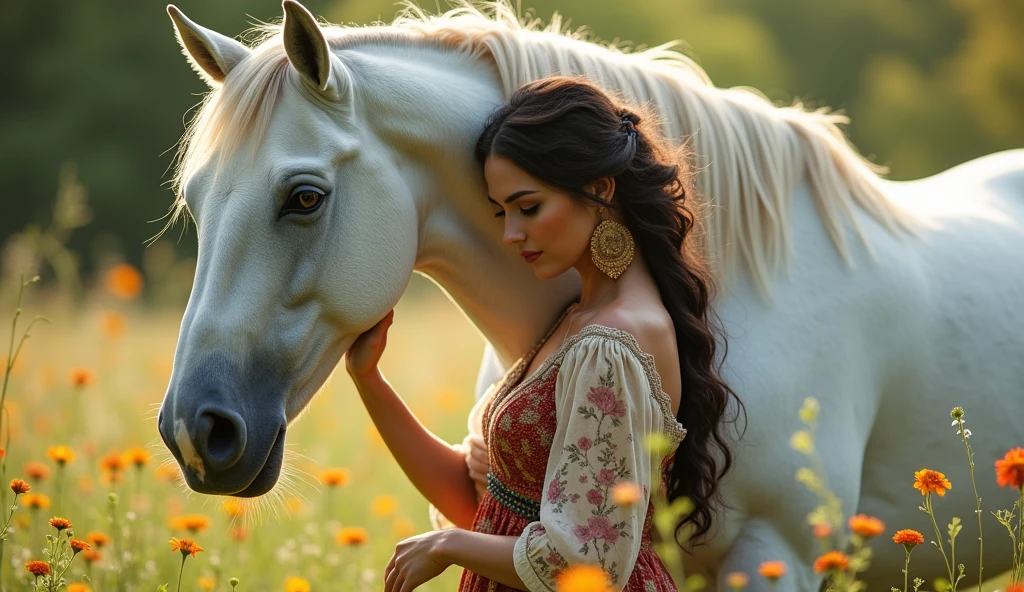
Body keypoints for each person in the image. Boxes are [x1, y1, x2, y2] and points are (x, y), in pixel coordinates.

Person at [344, 75, 740, 592]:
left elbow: (591, 565)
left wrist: (446, 546)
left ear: (599, 190)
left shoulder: (613, 343)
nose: (511, 234)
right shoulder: (576, 321)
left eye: (528, 207)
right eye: (502, 211)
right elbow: (480, 508)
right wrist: (368, 378)